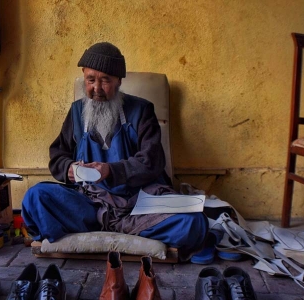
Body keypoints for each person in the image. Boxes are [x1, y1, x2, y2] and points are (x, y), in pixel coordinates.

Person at [21, 42, 207, 258]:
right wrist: (68, 168)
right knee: (35, 197)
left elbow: (152, 161)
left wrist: (111, 170)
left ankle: (114, 227)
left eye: (105, 80)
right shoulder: (77, 112)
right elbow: (58, 157)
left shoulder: (142, 110)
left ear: (119, 81)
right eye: (91, 80)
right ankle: (111, 226)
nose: (96, 89)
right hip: (90, 205)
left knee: (194, 222)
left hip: (137, 205)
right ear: (84, 77)